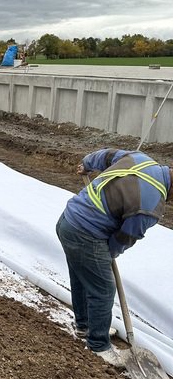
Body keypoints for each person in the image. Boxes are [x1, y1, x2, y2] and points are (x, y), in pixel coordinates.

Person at [56, 148, 172, 367]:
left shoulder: (143, 160)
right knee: (103, 289)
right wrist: (107, 254)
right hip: (85, 233)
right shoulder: (151, 204)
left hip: (68, 220)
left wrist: (87, 163)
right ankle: (98, 345)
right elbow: (126, 236)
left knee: (83, 276)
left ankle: (85, 325)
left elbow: (108, 155)